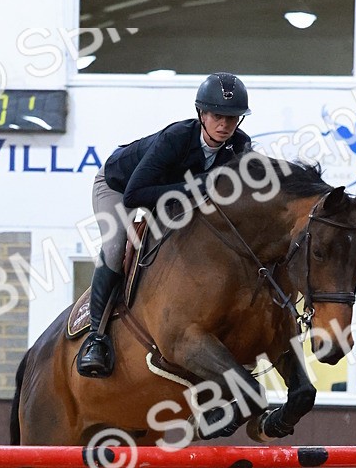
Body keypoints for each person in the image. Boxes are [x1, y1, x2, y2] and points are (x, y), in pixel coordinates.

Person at [76, 72, 252, 378]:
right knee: (116, 246)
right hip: (119, 186)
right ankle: (96, 338)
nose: (224, 125)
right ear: (201, 114)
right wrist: (198, 185)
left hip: (167, 195)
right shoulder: (176, 138)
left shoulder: (239, 146)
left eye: (232, 118)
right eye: (217, 116)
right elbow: (135, 195)